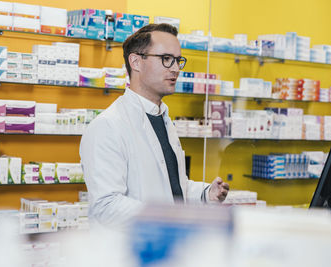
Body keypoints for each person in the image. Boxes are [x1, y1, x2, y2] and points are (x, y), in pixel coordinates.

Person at [80, 23, 229, 226]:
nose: (176, 68)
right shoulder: (108, 126)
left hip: (166, 245)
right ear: (136, 62)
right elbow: (106, 205)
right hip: (128, 252)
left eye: (178, 60)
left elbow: (171, 186)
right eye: (166, 59)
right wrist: (164, 215)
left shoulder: (163, 118)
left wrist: (205, 194)